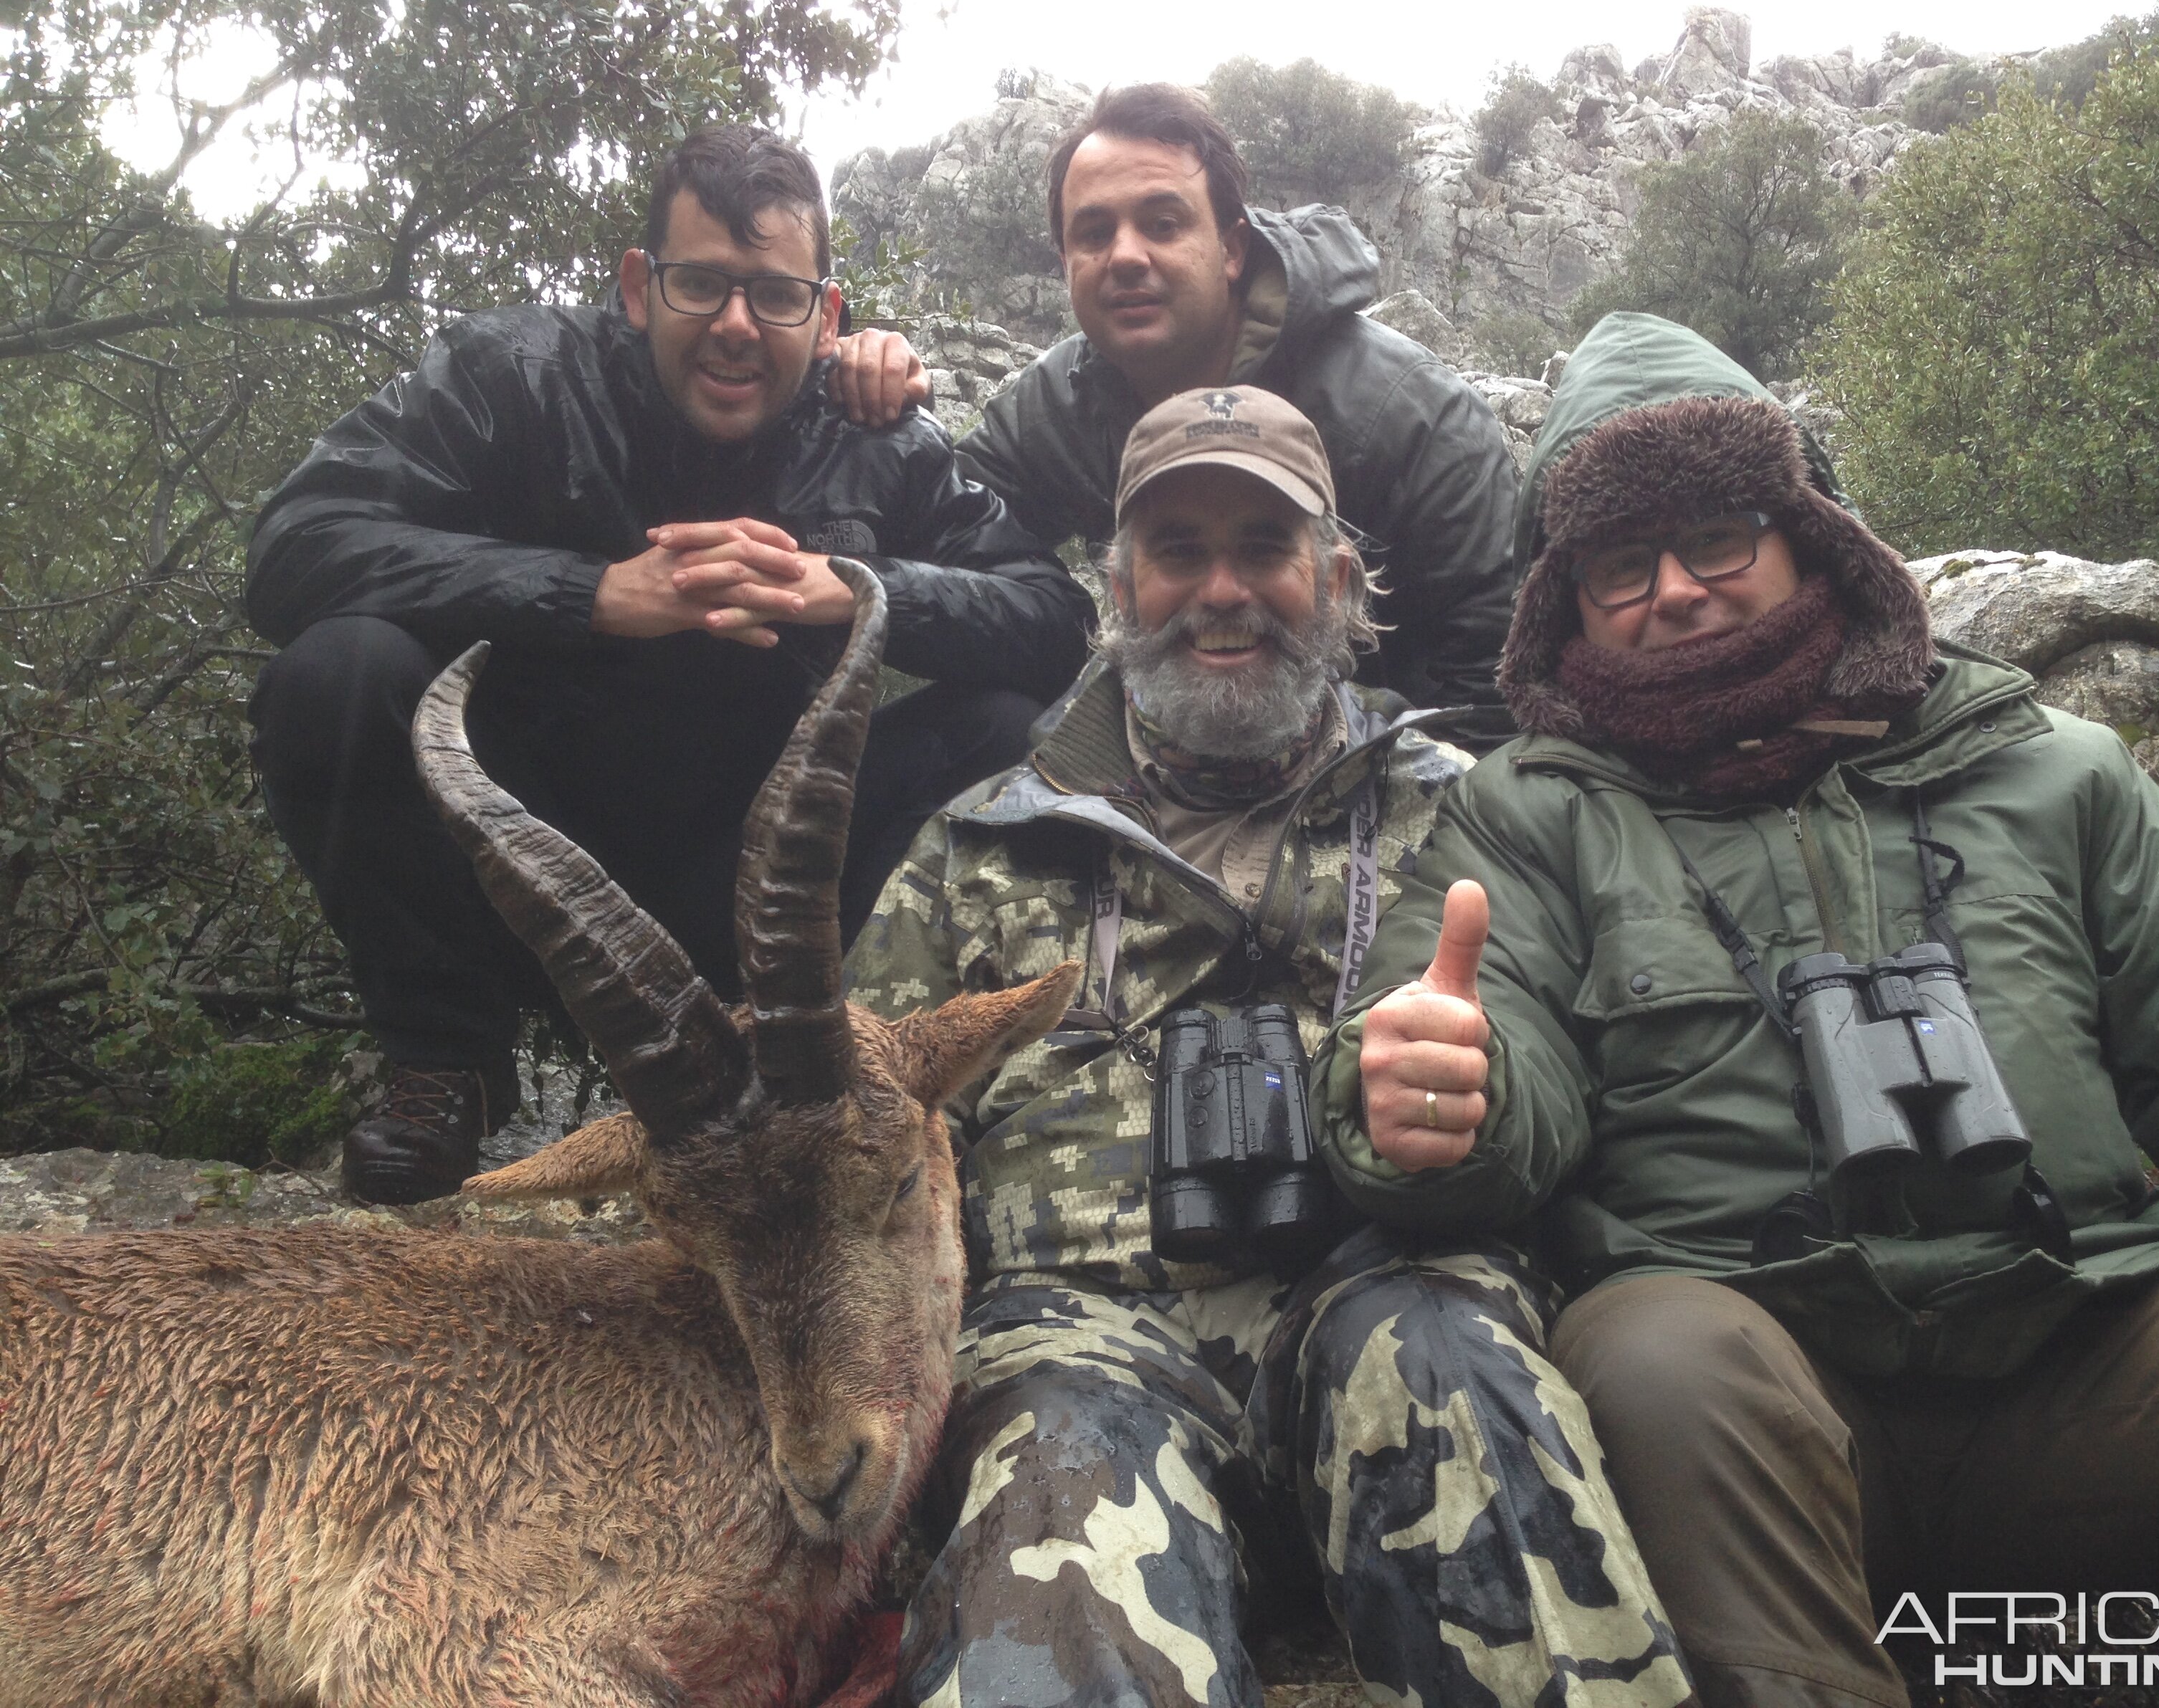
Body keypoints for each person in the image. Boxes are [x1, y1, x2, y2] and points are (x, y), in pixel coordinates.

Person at [1315, 310, 2159, 1705]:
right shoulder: (1527, 819)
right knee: (1659, 1355)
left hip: (2097, 1351)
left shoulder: (2053, 768)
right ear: (1567, 599)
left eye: (1717, 538)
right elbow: (1504, 1067)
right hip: (1754, 1409)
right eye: (1622, 562)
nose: (1675, 590)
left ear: (1813, 533)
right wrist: (1440, 1104)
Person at [845, 386, 1689, 1708]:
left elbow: (1585, 1094)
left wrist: (1487, 1091)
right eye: (1178, 550)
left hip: (1387, 1288)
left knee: (1447, 1361)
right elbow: (860, 1142)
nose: (1222, 589)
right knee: (1054, 1489)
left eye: (1265, 546)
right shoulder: (971, 849)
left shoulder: (1472, 814)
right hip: (1078, 1338)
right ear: (1117, 584)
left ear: (1338, 577)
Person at [246, 125, 1092, 1204]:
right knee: (338, 670)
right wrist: (592, 595)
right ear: (640, 287)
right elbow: (294, 545)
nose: (738, 327)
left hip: (748, 891)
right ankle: (440, 1066)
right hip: (515, 860)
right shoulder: (515, 373)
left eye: (775, 296)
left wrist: (856, 591)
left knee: (1006, 721)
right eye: (703, 286)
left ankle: (866, 1075)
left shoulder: (872, 433)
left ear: (824, 314)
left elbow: (1052, 615)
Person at [829, 83, 1518, 746]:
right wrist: (859, 391)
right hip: (1163, 763)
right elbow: (937, 538)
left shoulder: (1411, 419)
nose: (1126, 256)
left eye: (1162, 223)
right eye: (1094, 233)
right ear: (1066, 262)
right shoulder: (1059, 406)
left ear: (1232, 249)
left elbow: (1486, 693)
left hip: (1373, 788)